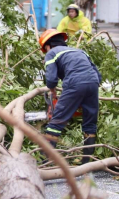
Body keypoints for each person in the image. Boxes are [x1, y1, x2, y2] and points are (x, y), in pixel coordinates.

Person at [40, 29, 102, 164]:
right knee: (90, 123)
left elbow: (51, 79)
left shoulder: (51, 53)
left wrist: (53, 91)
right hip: (93, 83)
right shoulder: (79, 51)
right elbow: (98, 75)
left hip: (75, 83)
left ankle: (45, 160)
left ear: (48, 46)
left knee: (56, 121)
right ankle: (86, 162)